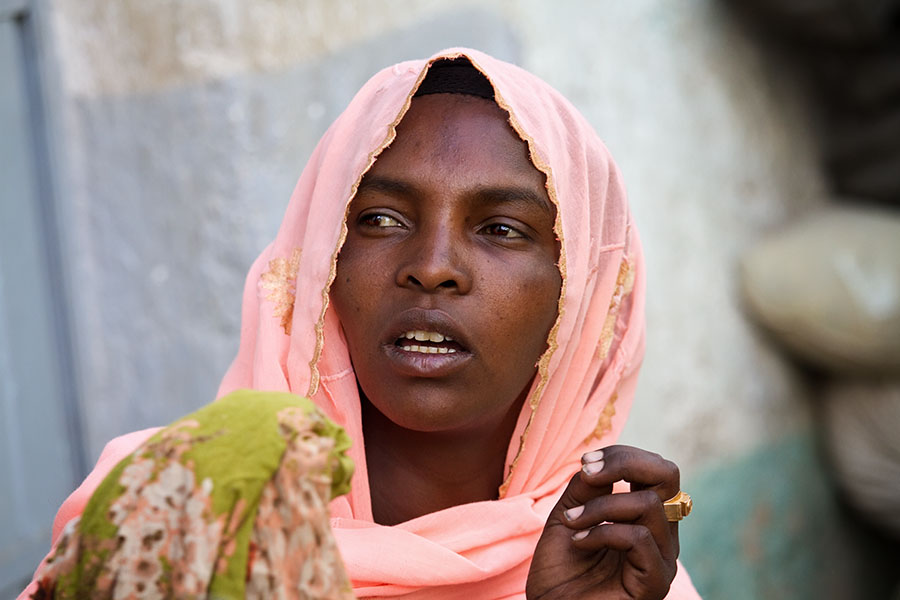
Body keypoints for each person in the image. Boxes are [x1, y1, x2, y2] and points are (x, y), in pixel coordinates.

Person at [21, 48, 700, 599]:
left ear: (582, 298)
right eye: (380, 219)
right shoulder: (169, 518)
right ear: (321, 262)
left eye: (500, 228)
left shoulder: (616, 575)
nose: (432, 267)